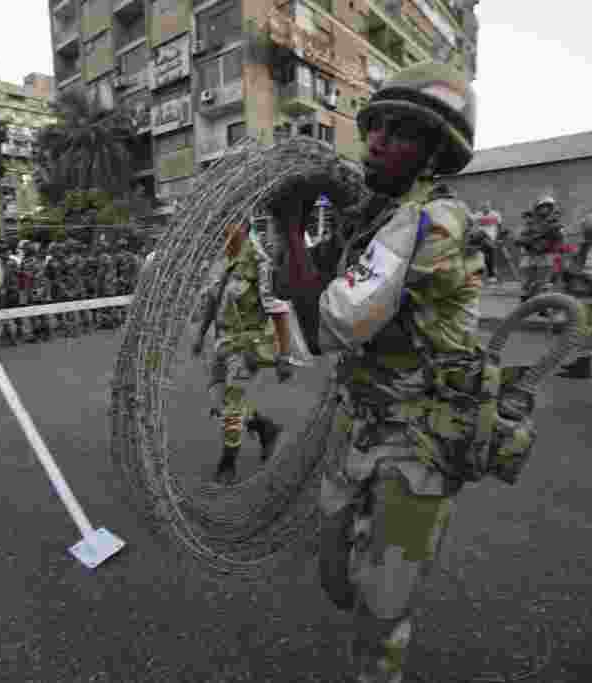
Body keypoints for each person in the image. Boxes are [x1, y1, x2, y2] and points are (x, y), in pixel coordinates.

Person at [273, 62, 484, 683]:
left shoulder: (430, 222)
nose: (377, 140)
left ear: (434, 153)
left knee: (380, 609)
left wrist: (291, 226)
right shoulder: (376, 216)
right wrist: (295, 227)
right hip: (361, 422)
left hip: (417, 440)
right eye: (376, 127)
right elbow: (299, 286)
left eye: (401, 132)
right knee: (334, 574)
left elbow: (328, 324)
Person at [191, 221, 294, 485]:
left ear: (244, 227)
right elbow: (213, 301)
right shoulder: (223, 261)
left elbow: (279, 310)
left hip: (248, 346)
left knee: (232, 404)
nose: (224, 229)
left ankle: (228, 464)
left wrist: (284, 356)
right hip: (222, 343)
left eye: (230, 223)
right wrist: (200, 334)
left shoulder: (260, 263)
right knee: (218, 402)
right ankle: (264, 427)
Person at [557, 210, 592, 379]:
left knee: (584, 328)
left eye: (587, 230)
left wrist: (571, 272)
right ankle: (582, 361)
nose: (584, 233)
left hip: (588, 292)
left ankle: (583, 365)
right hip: (586, 291)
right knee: (583, 327)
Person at [472, 201, 502, 282]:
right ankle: (490, 274)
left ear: (490, 207)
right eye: (484, 207)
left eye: (487, 207)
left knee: (488, 253)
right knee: (482, 236)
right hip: (480, 237)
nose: (485, 208)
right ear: (481, 208)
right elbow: (472, 223)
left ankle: (490, 274)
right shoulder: (478, 214)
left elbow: (500, 226)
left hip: (490, 236)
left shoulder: (495, 214)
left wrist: (499, 237)